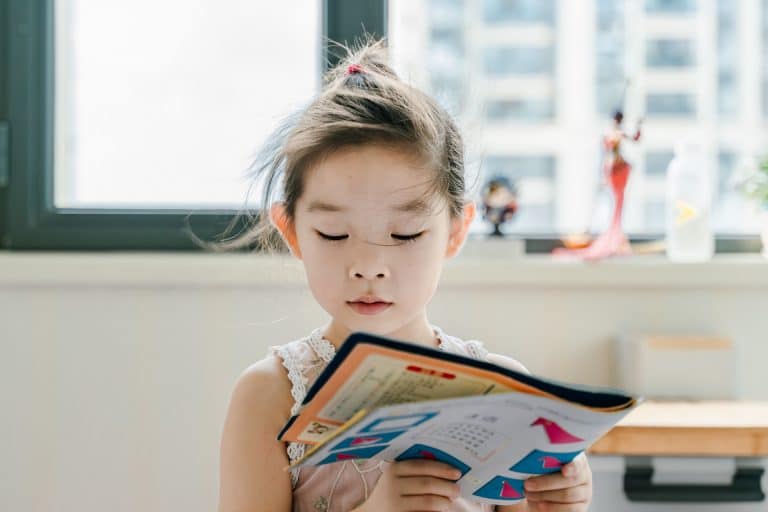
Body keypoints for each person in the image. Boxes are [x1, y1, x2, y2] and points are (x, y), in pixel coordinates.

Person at [217, 39, 592, 512]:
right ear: (292, 232)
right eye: (334, 234)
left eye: (406, 233)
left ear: (455, 232)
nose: (369, 265)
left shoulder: (502, 391)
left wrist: (557, 503)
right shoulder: (270, 395)